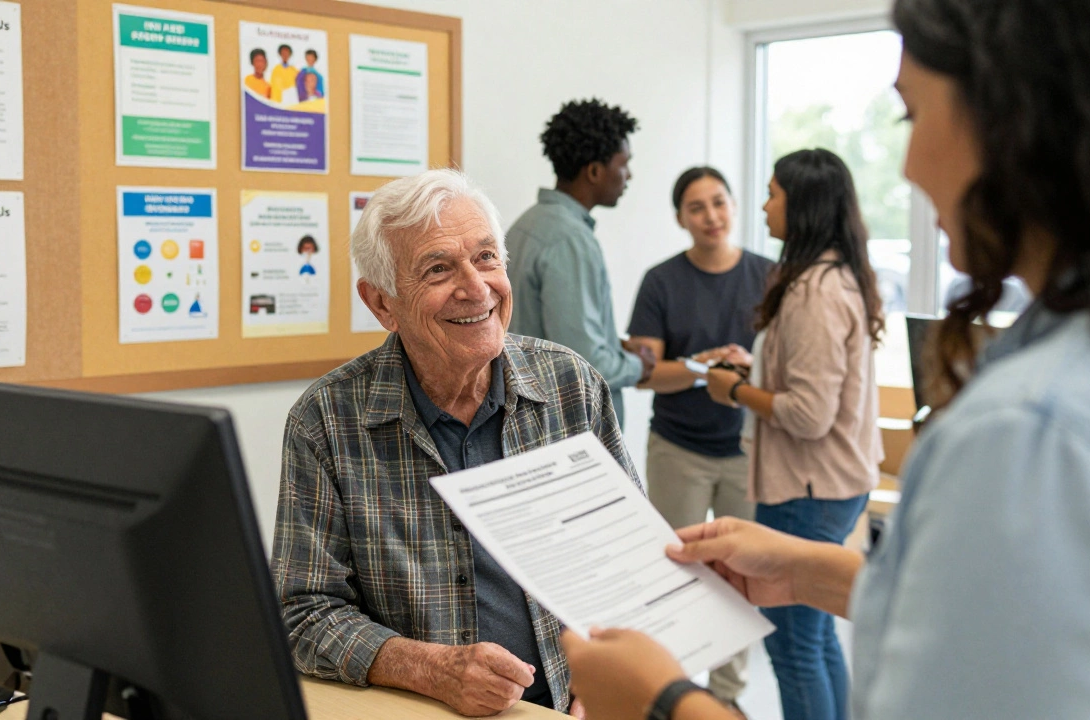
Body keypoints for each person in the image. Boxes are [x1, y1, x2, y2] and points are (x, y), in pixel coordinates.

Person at [559, 1, 1090, 719]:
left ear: (1012, 121)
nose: (907, 164)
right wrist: (814, 571)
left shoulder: (1031, 433)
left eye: (910, 115)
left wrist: (660, 703)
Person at [272, 169, 640, 718]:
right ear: (382, 304)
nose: (476, 287)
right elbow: (302, 612)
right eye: (439, 268)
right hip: (416, 709)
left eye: (487, 257)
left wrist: (601, 682)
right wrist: (427, 668)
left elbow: (627, 559)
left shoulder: (571, 387)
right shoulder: (326, 420)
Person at [701, 148, 883, 720]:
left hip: (810, 488)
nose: (763, 204)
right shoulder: (831, 277)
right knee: (815, 637)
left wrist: (731, 391)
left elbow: (808, 415)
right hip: (829, 485)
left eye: (773, 193)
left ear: (801, 206)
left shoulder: (814, 291)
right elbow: (816, 384)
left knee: (792, 645)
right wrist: (757, 371)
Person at [625, 166, 773, 713]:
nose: (711, 216)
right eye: (696, 207)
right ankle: (675, 693)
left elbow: (788, 367)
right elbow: (644, 372)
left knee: (741, 578)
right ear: (680, 218)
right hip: (678, 449)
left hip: (748, 453)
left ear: (734, 205)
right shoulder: (662, 281)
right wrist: (699, 365)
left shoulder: (769, 276)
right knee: (676, 572)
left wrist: (752, 365)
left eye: (718, 202)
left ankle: (728, 700)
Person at [507, 98, 656, 428]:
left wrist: (614, 344)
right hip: (567, 429)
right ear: (594, 171)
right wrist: (637, 366)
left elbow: (547, 331)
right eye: (624, 163)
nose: (628, 175)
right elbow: (584, 361)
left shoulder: (526, 225)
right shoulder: (570, 240)